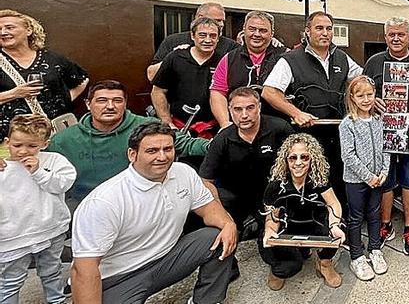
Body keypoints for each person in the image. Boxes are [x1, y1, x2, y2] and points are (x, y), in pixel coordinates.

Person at [70, 122, 238, 304]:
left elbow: (208, 208)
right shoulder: (105, 201)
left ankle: (206, 301)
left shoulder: (183, 173)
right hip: (120, 278)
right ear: (132, 154)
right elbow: (84, 269)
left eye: (168, 149)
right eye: (152, 151)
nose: (162, 156)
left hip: (167, 258)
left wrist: (228, 224)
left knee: (218, 235)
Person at [262, 11, 362, 213]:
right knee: (309, 185)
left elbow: (360, 82)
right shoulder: (290, 59)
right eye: (319, 28)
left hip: (337, 135)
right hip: (307, 136)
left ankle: (336, 226)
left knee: (335, 181)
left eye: (328, 28)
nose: (325, 33)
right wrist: (295, 113)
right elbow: (269, 92)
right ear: (307, 32)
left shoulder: (342, 58)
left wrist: (370, 99)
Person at [48, 80, 208, 204]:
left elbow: (187, 144)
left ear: (125, 103)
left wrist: (220, 144)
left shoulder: (147, 126)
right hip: (85, 203)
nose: (110, 106)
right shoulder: (63, 141)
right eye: (102, 101)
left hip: (141, 200)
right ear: (88, 104)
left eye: (117, 101)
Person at [362, 17, 409, 254]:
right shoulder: (374, 62)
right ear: (385, 36)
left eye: (401, 34)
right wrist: (372, 101)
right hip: (383, 133)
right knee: (385, 181)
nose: (396, 38)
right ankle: (385, 224)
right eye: (392, 34)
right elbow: (360, 93)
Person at [0, 114, 75, 304]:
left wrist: (39, 172)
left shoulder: (54, 161)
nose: (24, 151)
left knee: (52, 271)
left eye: (32, 146)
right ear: (7, 142)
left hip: (51, 229)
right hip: (13, 236)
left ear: (44, 143)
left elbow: (63, 184)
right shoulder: (2, 167)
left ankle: (56, 300)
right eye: (17, 145)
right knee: (10, 280)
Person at [199, 87, 294, 235]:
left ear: (259, 107)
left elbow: (301, 167)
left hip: (274, 195)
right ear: (229, 110)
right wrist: (222, 216)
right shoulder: (221, 140)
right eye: (237, 109)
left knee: (276, 252)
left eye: (250, 108)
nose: (244, 115)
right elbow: (206, 180)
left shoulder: (281, 129)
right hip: (236, 196)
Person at [261, 133, 346, 290]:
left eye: (304, 157)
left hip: (311, 221)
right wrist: (270, 231)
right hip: (287, 225)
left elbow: (333, 203)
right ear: (286, 160)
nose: (298, 163)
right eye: (293, 158)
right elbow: (271, 217)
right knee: (286, 264)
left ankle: (325, 264)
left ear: (311, 159)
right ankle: (278, 271)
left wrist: (335, 225)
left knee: (338, 229)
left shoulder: (318, 179)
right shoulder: (275, 185)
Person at [0, 9, 89, 134]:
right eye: (0, 29)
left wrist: (65, 99)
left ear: (28, 31)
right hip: (10, 137)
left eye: (9, 27)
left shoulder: (52, 59)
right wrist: (15, 93)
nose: (3, 32)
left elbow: (82, 80)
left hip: (54, 132)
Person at [339, 76, 390, 281]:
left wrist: (384, 172)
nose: (366, 99)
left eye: (370, 94)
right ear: (352, 97)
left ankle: (375, 249)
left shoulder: (379, 120)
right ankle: (357, 256)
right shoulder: (347, 124)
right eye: (360, 95)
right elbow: (348, 155)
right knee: (356, 217)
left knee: (375, 214)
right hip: (356, 180)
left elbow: (388, 146)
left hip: (378, 178)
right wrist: (368, 177)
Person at [210, 10, 287, 127]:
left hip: (279, 127)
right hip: (240, 128)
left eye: (263, 30)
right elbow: (217, 93)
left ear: (272, 33)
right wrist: (225, 123)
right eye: (252, 29)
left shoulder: (286, 57)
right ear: (244, 30)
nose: (256, 34)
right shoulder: (229, 59)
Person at [151, 17, 223, 135]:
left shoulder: (224, 61)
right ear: (192, 36)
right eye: (202, 35)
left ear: (218, 38)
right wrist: (167, 122)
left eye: (213, 36)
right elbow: (158, 91)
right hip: (178, 128)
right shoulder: (175, 57)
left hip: (212, 129)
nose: (208, 40)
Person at [146, 2, 236, 82]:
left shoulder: (231, 46)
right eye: (217, 20)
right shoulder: (173, 41)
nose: (221, 24)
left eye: (223, 21)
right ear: (200, 18)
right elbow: (151, 75)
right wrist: (172, 57)